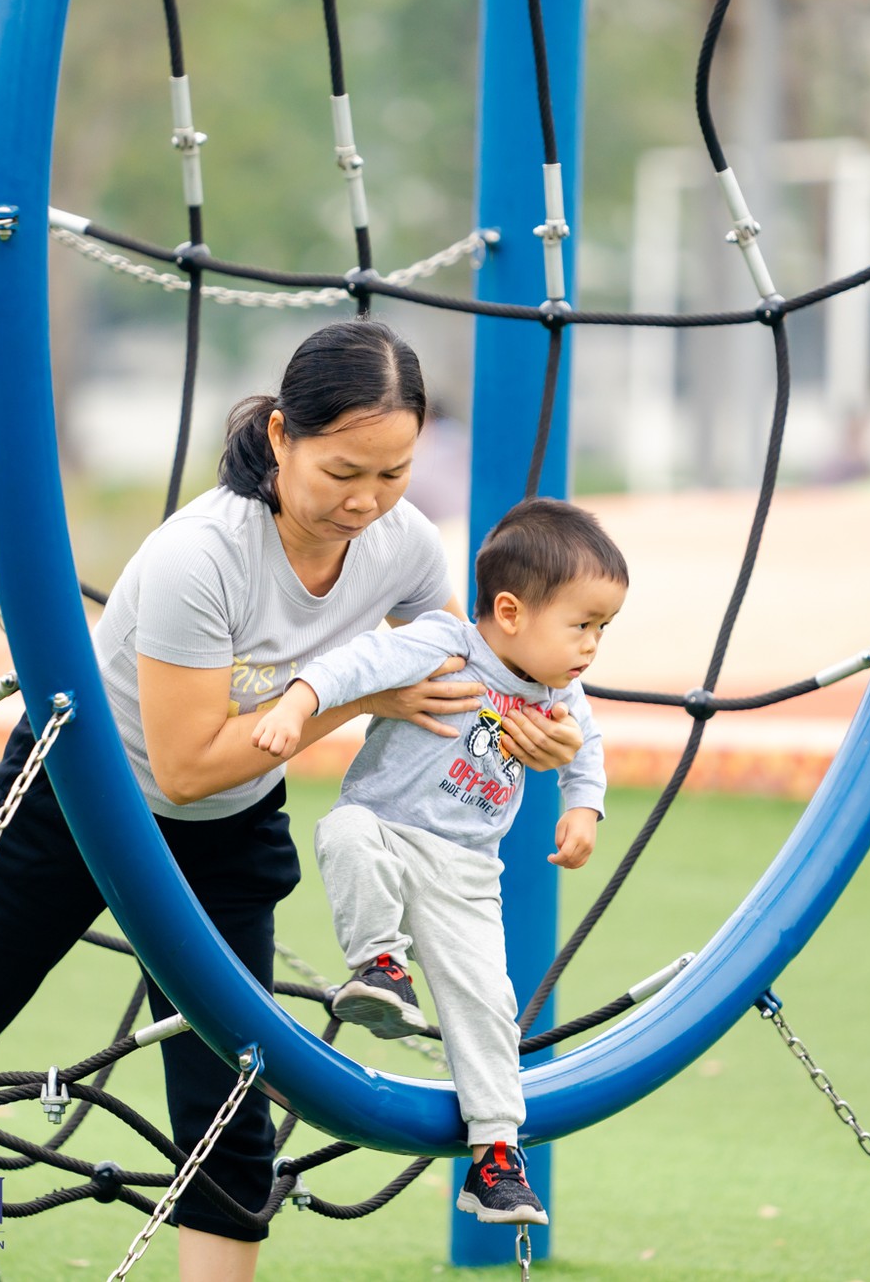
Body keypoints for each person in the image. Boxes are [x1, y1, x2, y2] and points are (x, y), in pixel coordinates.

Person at [0, 319, 585, 1281]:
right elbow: (186, 764)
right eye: (344, 471)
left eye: (394, 474)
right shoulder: (201, 557)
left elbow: (464, 671)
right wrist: (361, 695)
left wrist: (528, 724)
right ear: (280, 437)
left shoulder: (403, 545)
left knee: (229, 1110)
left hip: (227, 836)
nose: (368, 502)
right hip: (83, 808)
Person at [249, 497, 628, 1227]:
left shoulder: (561, 692)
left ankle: (495, 1156)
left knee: (488, 1004)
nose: (591, 647)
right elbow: (357, 660)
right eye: (581, 625)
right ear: (511, 612)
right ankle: (381, 967)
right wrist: (297, 705)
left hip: (465, 869)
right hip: (391, 828)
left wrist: (583, 810)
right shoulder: (445, 644)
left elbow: (588, 749)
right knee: (346, 830)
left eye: (601, 629)